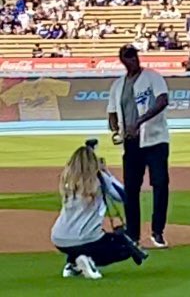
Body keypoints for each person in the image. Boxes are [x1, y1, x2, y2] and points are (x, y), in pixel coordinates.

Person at [51, 145, 146, 280]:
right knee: (125, 247)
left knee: (82, 244)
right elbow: (124, 196)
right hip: (87, 237)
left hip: (59, 238)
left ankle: (72, 264)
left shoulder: (67, 180)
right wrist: (106, 173)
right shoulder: (98, 179)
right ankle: (85, 261)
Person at [107, 45, 170, 248]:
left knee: (160, 184)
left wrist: (140, 121)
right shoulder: (118, 85)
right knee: (131, 189)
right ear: (122, 60)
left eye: (133, 56)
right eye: (127, 57)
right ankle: (133, 235)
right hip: (131, 143)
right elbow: (112, 113)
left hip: (155, 140)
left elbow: (162, 100)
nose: (132, 60)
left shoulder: (152, 77)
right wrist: (115, 127)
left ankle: (157, 231)